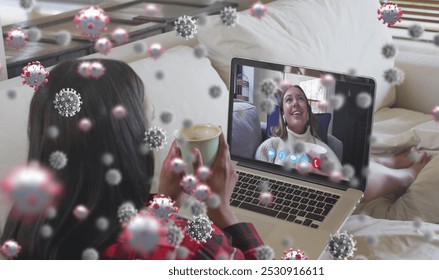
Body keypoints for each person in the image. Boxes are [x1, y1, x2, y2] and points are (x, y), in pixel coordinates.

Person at [0, 59, 264, 260]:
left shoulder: (23, 225)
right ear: (128, 141)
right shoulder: (190, 245)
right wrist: (222, 211)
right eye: (147, 119)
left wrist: (165, 204)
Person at [255, 85, 432, 202]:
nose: (295, 103)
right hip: (283, 201)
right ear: (283, 115)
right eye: (289, 100)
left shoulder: (322, 148)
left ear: (308, 113)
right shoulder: (272, 145)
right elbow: (256, 182)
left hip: (318, 201)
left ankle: (397, 169)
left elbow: (343, 185)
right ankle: (398, 169)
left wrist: (324, 175)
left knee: (358, 187)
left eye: (301, 99)